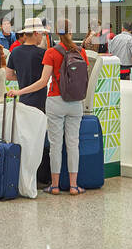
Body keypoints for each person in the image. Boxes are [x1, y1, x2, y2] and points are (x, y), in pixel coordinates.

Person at [11, 19, 88, 195]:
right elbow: (84, 78)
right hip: (76, 103)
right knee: (73, 143)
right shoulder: (81, 52)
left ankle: (54, 185)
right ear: (71, 31)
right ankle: (74, 186)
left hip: (55, 101)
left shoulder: (51, 52)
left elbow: (42, 82)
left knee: (55, 145)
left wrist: (19, 91)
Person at [6, 17, 49, 112]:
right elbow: (45, 79)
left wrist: (23, 76)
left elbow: (9, 75)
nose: (42, 37)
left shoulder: (15, 51)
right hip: (39, 100)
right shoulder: (43, 53)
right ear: (36, 33)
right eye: (41, 34)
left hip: (23, 99)